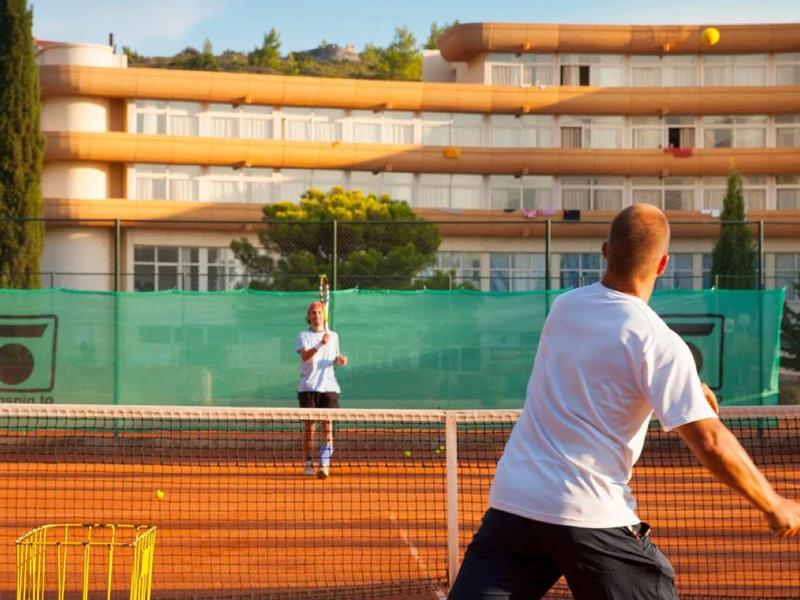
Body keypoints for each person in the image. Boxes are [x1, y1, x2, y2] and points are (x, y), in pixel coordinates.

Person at [449, 204, 800, 600]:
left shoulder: (565, 308)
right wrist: (774, 503)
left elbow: (604, 361)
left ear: (604, 251)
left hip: (514, 504)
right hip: (589, 514)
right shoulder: (659, 342)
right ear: (663, 264)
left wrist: (690, 384)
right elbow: (711, 441)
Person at [296, 301, 348, 479]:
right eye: (313, 313)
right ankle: (309, 463)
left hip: (329, 387)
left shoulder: (334, 336)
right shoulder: (303, 335)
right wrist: (319, 344)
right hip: (308, 387)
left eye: (319, 313)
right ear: (308, 316)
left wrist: (339, 360)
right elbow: (305, 357)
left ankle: (324, 465)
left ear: (323, 315)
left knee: (328, 426)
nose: (316, 316)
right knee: (310, 428)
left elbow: (333, 358)